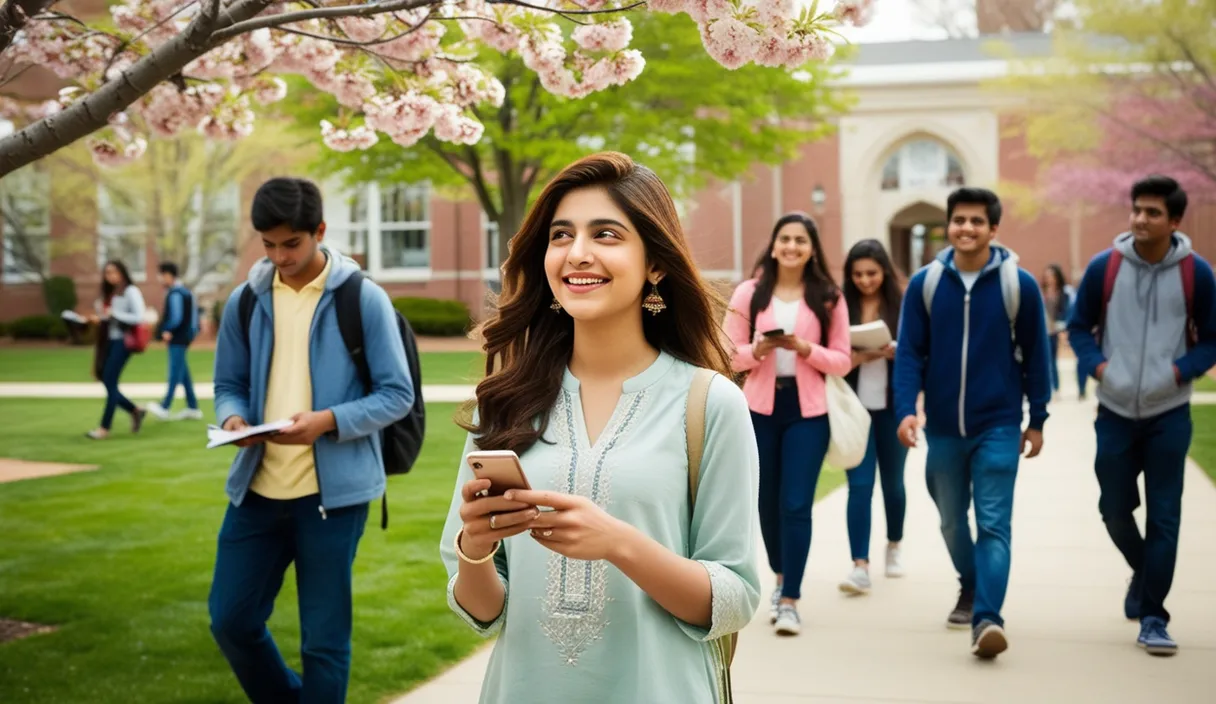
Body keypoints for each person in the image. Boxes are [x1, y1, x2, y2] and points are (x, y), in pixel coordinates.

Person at [439, 152, 760, 704]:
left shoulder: (710, 404)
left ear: (655, 263)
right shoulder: (505, 404)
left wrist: (618, 543)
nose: (577, 254)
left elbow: (733, 597)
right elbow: (482, 612)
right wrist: (475, 545)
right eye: (561, 235)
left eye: (606, 234)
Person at [208, 177, 415, 702]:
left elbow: (397, 395)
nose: (280, 256)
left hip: (333, 500)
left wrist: (326, 421)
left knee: (324, 642)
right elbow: (228, 385)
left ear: (319, 231)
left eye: (291, 244)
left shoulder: (362, 298)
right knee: (230, 620)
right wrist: (233, 421)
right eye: (269, 244)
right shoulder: (246, 302)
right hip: (256, 494)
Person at [893, 187, 1051, 659]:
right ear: (949, 226)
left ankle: (987, 619)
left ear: (993, 229)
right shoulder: (926, 283)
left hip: (998, 425)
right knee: (949, 522)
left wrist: (1037, 418)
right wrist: (906, 409)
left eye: (977, 221)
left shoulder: (1017, 284)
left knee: (994, 524)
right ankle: (970, 583)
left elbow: (1037, 358)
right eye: (959, 220)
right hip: (941, 427)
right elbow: (909, 355)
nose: (966, 228)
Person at [1066, 175, 1216, 657]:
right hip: (1113, 410)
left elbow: (1212, 339)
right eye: (1136, 210)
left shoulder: (1197, 273)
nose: (1140, 219)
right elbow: (1079, 327)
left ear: (1174, 221)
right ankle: (1145, 571)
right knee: (1113, 507)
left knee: (1165, 517)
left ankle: (1154, 615)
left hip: (1169, 413)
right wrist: (1100, 369)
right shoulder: (1103, 267)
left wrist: (1178, 372)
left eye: (1152, 213)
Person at [724, 211, 851, 636]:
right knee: (766, 502)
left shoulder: (828, 297)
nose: (792, 246)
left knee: (796, 503)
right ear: (774, 244)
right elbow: (727, 354)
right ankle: (780, 577)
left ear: (812, 248)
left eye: (801, 240)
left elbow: (843, 359)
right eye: (785, 239)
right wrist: (758, 350)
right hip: (759, 409)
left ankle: (791, 597)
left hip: (808, 411)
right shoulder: (749, 294)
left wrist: (804, 348)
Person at [838, 239, 908, 595]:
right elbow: (832, 360)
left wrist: (898, 352)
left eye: (872, 273)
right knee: (860, 486)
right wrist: (861, 356)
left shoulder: (902, 306)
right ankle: (859, 565)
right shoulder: (841, 308)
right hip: (854, 409)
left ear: (885, 272)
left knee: (893, 485)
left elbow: (917, 356)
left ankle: (894, 545)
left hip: (893, 409)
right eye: (858, 274)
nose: (865, 280)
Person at [85, 260, 147, 440]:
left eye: (113, 272)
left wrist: (115, 314)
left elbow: (138, 317)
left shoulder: (130, 291)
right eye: (107, 273)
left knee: (110, 380)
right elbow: (107, 317)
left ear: (122, 272)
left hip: (124, 341)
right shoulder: (109, 293)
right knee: (106, 379)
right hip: (109, 341)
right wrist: (100, 318)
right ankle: (135, 410)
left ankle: (105, 427)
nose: (110, 276)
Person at [146, 261, 202, 421]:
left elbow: (176, 317)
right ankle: (193, 407)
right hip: (185, 336)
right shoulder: (186, 292)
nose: (160, 279)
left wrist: (167, 330)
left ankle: (165, 406)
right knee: (183, 372)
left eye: (161, 275)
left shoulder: (176, 293)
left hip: (177, 337)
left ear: (168, 275)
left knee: (174, 372)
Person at [1039, 263, 1075, 397]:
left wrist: (1063, 328)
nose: (1049, 278)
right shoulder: (1041, 293)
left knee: (1053, 360)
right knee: (1046, 360)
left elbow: (1065, 312)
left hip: (1055, 330)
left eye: (1051, 276)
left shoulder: (1063, 293)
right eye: (1047, 276)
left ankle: (1057, 388)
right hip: (1044, 330)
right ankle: (1049, 388)